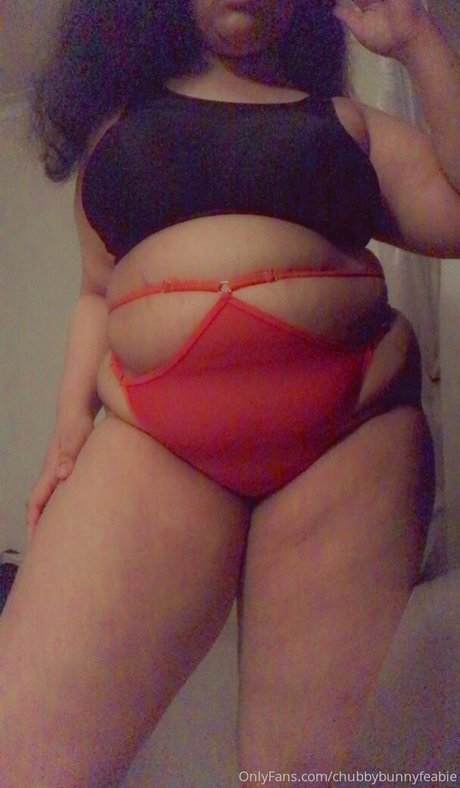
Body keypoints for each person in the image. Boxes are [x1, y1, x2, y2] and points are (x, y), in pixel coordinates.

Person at [1, 0, 459, 785]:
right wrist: (69, 427)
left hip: (347, 442)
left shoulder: (346, 121)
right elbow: (97, 292)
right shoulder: (120, 126)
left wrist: (418, 40)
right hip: (158, 443)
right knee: (23, 754)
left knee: (298, 775)